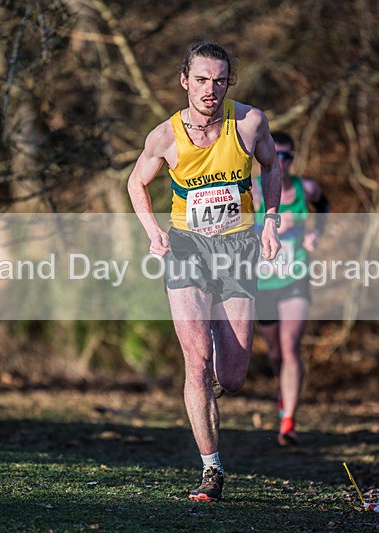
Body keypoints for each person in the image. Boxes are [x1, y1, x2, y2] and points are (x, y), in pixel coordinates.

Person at [127, 41, 282, 502]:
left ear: (228, 82)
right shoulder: (164, 136)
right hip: (187, 248)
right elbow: (136, 182)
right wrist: (152, 231)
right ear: (185, 81)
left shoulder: (249, 123)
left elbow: (272, 167)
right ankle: (211, 469)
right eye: (201, 80)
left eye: (218, 80)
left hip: (237, 248)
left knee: (231, 377)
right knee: (195, 362)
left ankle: (213, 364)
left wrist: (271, 221)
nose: (210, 89)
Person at [252, 131, 329, 447]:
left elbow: (323, 205)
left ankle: (289, 422)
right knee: (275, 352)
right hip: (262, 283)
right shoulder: (252, 191)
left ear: (293, 159)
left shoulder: (305, 189)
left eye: (287, 156)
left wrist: (316, 233)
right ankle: (283, 392)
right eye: (275, 155)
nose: (280, 161)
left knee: (290, 345)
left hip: (296, 278)